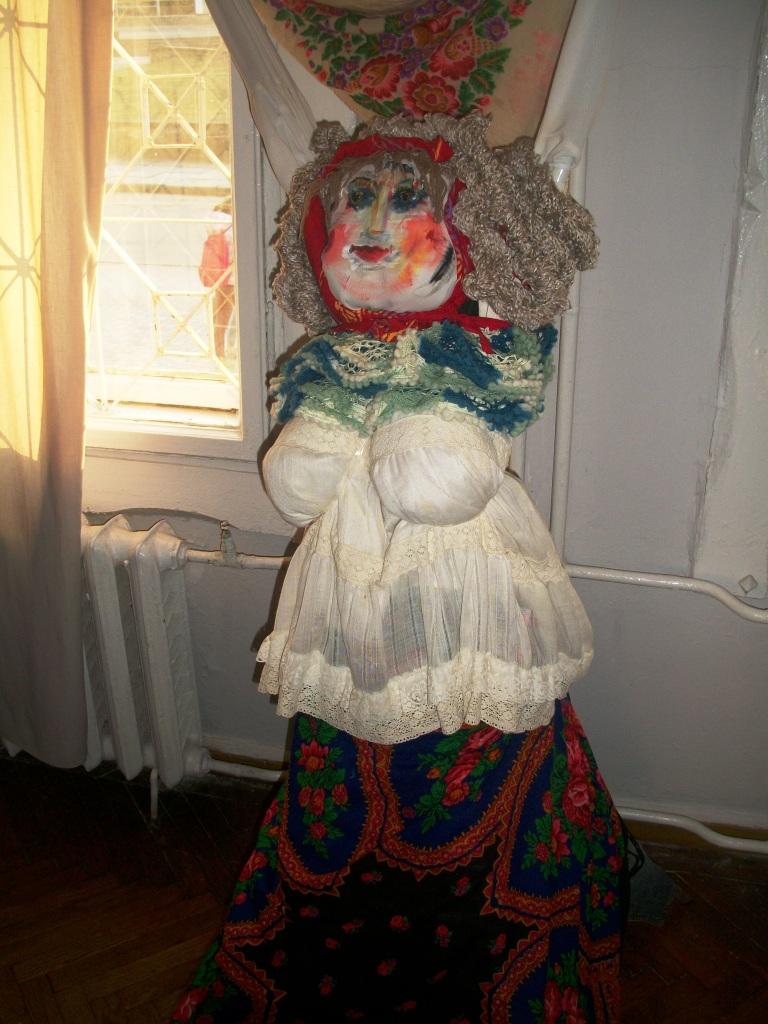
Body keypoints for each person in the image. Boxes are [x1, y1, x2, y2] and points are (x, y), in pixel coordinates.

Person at [172, 113, 623, 1024]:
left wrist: (431, 429)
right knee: (348, 748)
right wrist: (317, 443)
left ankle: (492, 935)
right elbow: (302, 482)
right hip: (353, 596)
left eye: (407, 201)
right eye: (356, 203)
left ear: (471, 229)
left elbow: (453, 477)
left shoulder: (483, 344)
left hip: (472, 594)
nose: (374, 225)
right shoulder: (331, 358)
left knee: (482, 735)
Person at [199, 199, 235, 361]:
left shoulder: (213, 224)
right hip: (231, 275)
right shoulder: (233, 226)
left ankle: (217, 350)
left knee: (219, 312)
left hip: (218, 272)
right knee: (227, 315)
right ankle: (222, 352)